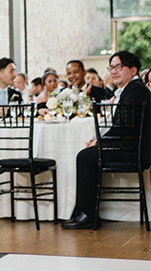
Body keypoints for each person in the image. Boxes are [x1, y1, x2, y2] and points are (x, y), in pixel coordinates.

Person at [62, 51, 151, 229]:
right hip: (130, 146)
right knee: (89, 154)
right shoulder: (133, 89)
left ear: (133, 70)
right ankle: (87, 212)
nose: (113, 71)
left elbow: (123, 128)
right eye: (111, 67)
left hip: (134, 151)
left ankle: (87, 214)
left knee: (85, 156)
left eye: (118, 67)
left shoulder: (135, 90)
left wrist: (100, 142)